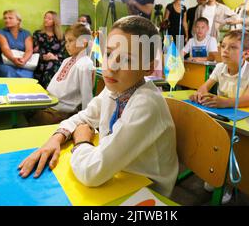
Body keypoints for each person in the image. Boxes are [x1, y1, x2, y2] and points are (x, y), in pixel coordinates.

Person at [18, 16, 179, 197]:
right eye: (109, 54)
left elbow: (93, 173)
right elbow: (84, 117)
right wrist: (56, 138)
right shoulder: (117, 89)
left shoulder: (146, 104)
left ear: (149, 68)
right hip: (117, 173)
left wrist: (81, 141)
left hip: (145, 191)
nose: (111, 66)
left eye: (126, 59)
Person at [190, 30, 249, 204]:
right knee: (214, 141)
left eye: (232, 47)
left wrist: (223, 102)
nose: (224, 50)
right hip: (223, 115)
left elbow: (248, 99)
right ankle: (215, 172)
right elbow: (204, 87)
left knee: (235, 149)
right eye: (223, 46)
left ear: (246, 53)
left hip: (246, 118)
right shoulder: (219, 67)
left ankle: (228, 183)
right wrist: (199, 95)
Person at [27, 23, 93, 125]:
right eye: (66, 41)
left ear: (84, 43)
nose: (66, 45)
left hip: (61, 112)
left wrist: (86, 121)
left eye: (70, 41)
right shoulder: (67, 60)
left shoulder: (85, 63)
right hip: (50, 104)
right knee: (26, 112)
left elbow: (86, 95)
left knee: (29, 123)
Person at [0, 10, 34, 78]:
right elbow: (5, 48)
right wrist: (13, 60)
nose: (7, 20)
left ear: (18, 21)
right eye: (5, 18)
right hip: (6, 62)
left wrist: (23, 60)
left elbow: (29, 50)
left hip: (23, 62)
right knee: (8, 73)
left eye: (10, 18)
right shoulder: (1, 32)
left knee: (28, 76)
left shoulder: (26, 33)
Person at [33, 11, 65, 88]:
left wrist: (54, 57)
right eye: (45, 17)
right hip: (40, 61)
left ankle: (48, 89)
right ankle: (49, 89)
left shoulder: (61, 36)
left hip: (56, 61)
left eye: (49, 18)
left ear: (55, 22)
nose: (46, 20)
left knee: (53, 63)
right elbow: (34, 50)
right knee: (49, 65)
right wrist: (43, 56)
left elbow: (63, 53)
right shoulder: (38, 34)